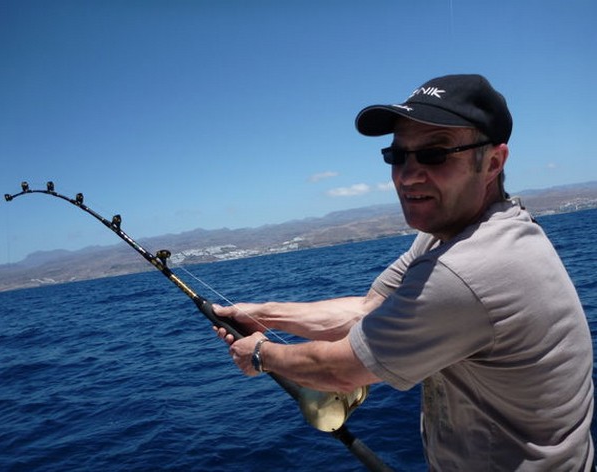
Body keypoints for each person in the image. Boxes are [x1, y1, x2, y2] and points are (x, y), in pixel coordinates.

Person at [214, 74, 595, 470]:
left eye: (435, 154)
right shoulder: (451, 237)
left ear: (493, 162)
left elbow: (342, 371)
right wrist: (262, 314)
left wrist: (260, 353)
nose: (408, 175)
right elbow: (367, 310)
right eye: (397, 156)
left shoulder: (468, 268)